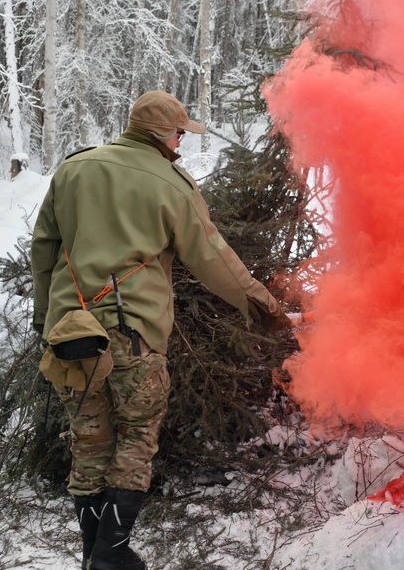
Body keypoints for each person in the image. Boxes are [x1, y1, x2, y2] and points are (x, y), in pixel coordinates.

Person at [31, 90, 290, 570]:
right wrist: (265, 306)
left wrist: (43, 317)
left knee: (88, 439)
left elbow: (44, 247)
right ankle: (110, 554)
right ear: (162, 135)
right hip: (133, 337)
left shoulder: (73, 169)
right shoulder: (171, 183)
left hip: (69, 336)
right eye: (179, 134)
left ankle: (93, 553)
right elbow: (213, 260)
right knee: (135, 438)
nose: (182, 143)